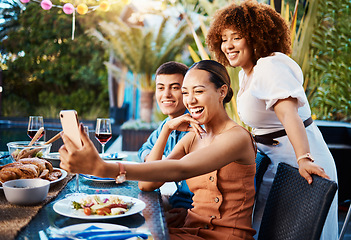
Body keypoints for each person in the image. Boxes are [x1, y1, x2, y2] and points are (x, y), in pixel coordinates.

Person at [59, 60, 257, 240]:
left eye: (198, 91)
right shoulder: (193, 137)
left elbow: (180, 169)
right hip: (188, 231)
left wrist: (103, 168)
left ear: (222, 91)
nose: (190, 100)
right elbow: (147, 184)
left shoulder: (237, 138)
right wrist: (167, 129)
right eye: (186, 92)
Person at [206, 1, 338, 239]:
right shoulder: (249, 72)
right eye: (224, 38)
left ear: (256, 36)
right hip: (276, 161)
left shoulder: (270, 65)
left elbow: (289, 115)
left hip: (299, 161)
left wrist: (304, 159)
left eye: (236, 37)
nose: (228, 45)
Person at [138, 61, 194, 227]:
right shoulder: (166, 125)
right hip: (176, 204)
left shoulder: (196, 128)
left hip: (191, 214)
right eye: (161, 88)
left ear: (186, 91)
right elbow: (144, 149)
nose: (166, 94)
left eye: (175, 88)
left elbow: (149, 182)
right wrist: (150, 158)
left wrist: (192, 212)